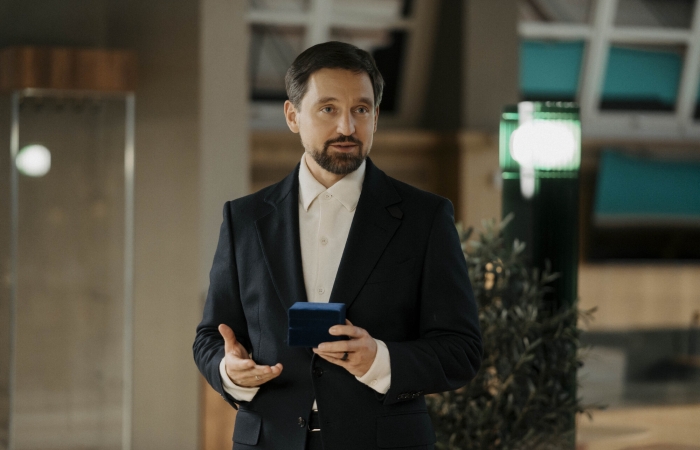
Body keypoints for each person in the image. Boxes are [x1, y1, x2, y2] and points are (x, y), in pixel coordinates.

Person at [193, 41, 482, 450]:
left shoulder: (426, 218)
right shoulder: (244, 219)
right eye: (328, 109)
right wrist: (229, 371)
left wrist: (380, 360)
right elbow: (211, 335)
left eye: (361, 109)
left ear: (375, 117)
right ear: (293, 116)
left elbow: (462, 350)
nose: (347, 127)